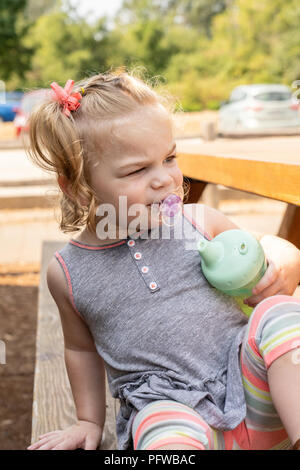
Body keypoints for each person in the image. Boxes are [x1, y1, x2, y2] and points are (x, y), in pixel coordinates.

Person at [26, 70, 300, 451]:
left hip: (257, 393)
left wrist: (288, 258)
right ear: (78, 186)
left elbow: (263, 245)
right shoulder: (69, 273)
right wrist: (88, 421)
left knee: (281, 313)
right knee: (156, 422)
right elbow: (80, 349)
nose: (166, 180)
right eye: (138, 169)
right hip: (174, 413)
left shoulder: (199, 222)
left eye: (169, 158)